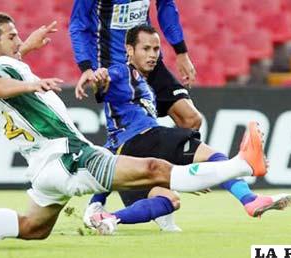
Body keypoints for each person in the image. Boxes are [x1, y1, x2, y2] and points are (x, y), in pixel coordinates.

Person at [0, 12, 268, 246]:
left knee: (34, 228)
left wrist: (27, 46)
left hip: (44, 166)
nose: (18, 40)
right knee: (155, 169)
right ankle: (242, 164)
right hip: (69, 155)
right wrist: (32, 86)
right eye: (11, 36)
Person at [79, 24, 291, 234]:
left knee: (170, 200)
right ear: (129, 50)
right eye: (146, 49)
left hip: (129, 156)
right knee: (213, 156)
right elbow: (104, 80)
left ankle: (109, 218)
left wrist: (97, 201)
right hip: (146, 138)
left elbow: (109, 154)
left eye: (156, 49)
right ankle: (248, 194)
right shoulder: (123, 71)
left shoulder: (144, 86)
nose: (153, 55)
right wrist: (99, 78)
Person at [69, 0, 202, 230]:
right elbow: (79, 24)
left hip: (149, 60)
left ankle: (163, 182)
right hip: (115, 66)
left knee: (191, 119)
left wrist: (181, 51)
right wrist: (87, 67)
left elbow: (166, 7)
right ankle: (98, 202)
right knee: (124, 134)